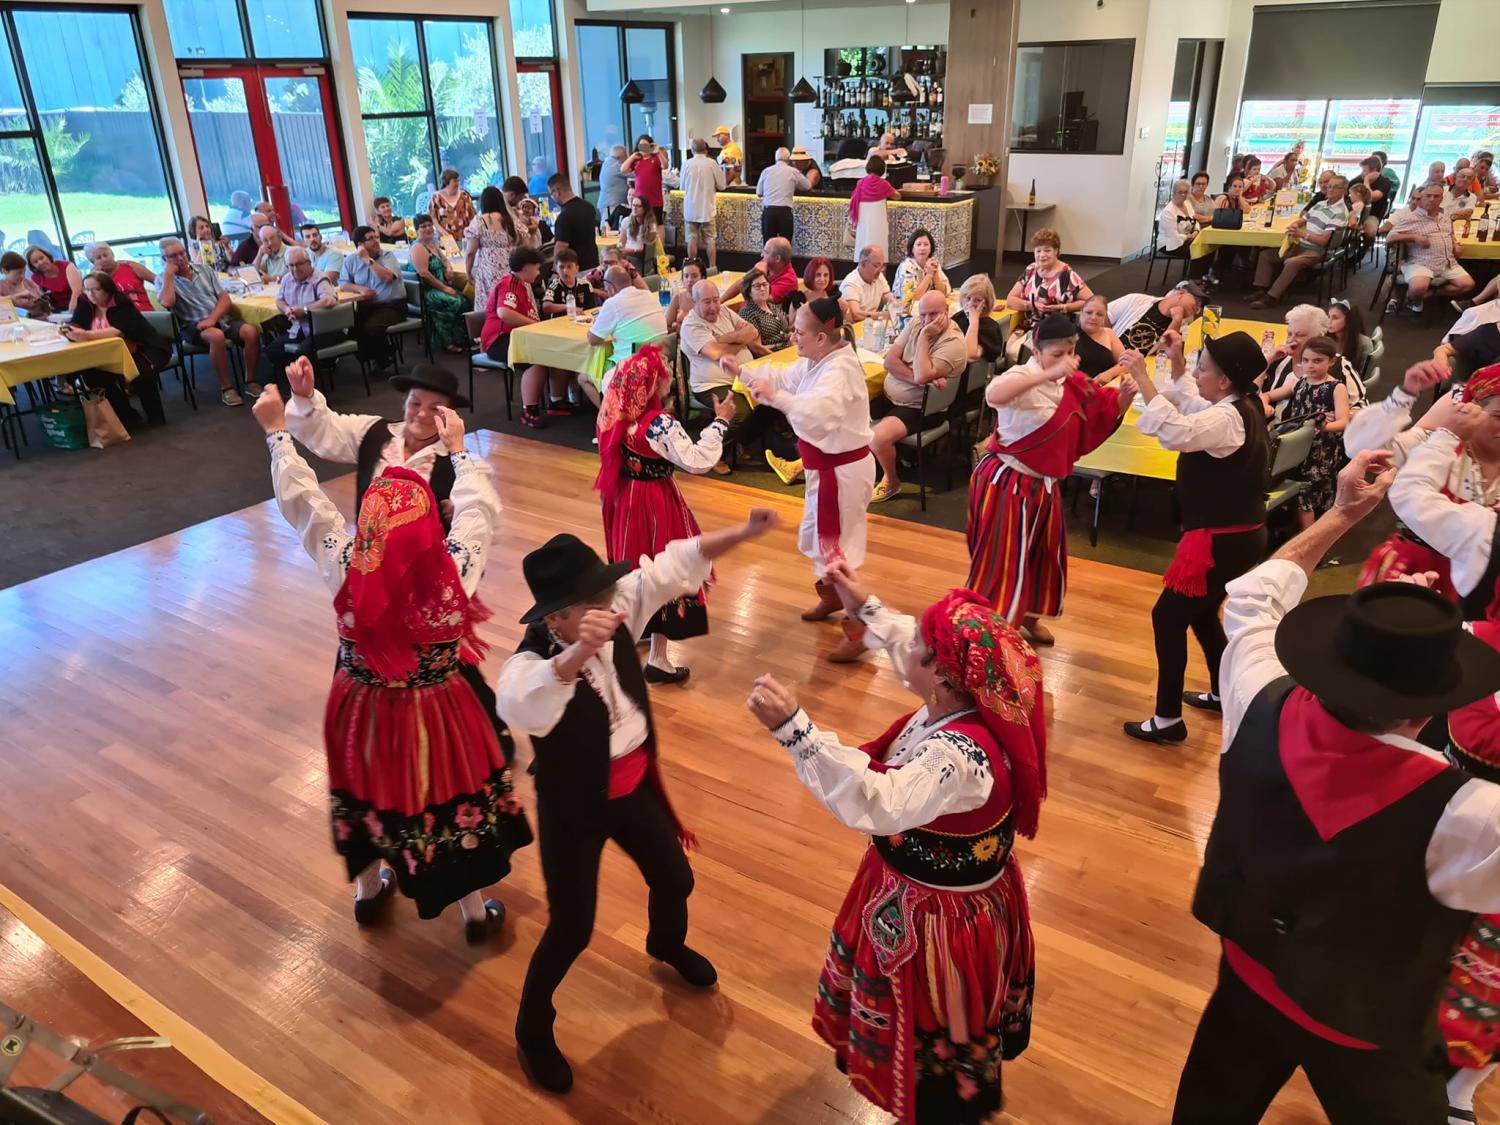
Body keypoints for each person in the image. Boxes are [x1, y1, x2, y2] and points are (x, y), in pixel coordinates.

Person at [1168, 450, 1500, 1124]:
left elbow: (1256, 596)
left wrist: (1344, 515)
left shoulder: (1257, 690)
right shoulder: (1469, 814)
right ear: (1432, 709)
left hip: (1248, 983)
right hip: (1368, 1026)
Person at [745, 563, 1046, 1125]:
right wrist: (864, 605)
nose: (912, 649)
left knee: (934, 1032)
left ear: (945, 677)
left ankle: (940, 1107)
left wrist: (795, 731)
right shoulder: (968, 701)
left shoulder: (961, 757)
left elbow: (881, 801)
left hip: (939, 920)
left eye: (927, 650)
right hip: (939, 889)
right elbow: (911, 641)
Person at [496, 508, 778, 1093]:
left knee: (675, 879)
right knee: (572, 928)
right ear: (560, 618)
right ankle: (531, 1027)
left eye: (607, 594)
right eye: (594, 603)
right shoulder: (528, 663)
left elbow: (671, 567)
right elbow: (521, 704)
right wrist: (574, 659)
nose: (612, 605)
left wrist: (743, 534)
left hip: (632, 789)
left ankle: (664, 942)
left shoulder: (611, 605)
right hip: (574, 810)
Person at [253, 381, 531, 944]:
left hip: (360, 705)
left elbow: (305, 506)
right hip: (436, 712)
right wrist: (459, 454)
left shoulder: (349, 561)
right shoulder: (454, 571)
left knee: (364, 790)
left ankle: (368, 892)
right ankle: (473, 914)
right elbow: (478, 512)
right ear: (432, 525)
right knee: (448, 801)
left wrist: (277, 435)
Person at [1122, 329, 1269, 743]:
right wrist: (1180, 362)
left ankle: (1167, 719)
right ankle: (1225, 692)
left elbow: (1178, 432)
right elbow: (1192, 407)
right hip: (1240, 534)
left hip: (1219, 540)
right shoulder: (1241, 404)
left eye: (1205, 369)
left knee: (1166, 617)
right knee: (1201, 614)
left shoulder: (1226, 418)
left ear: (1224, 380)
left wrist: (1144, 375)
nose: (1199, 375)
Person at [966, 314, 1131, 638]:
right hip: (1008, 483)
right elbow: (994, 395)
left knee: (1044, 555)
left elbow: (1094, 412)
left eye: (1070, 353)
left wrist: (1122, 401)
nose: (1066, 361)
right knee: (1004, 561)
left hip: (1044, 484)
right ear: (1037, 353)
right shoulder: (1022, 375)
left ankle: (1028, 615)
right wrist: (1045, 374)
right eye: (1057, 355)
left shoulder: (1071, 381)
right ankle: (996, 632)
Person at [738, 297, 876, 663]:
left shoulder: (839, 370)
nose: (792, 336)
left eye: (799, 331)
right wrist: (746, 373)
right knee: (822, 541)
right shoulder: (820, 360)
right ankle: (832, 598)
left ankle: (859, 626)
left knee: (836, 552)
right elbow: (784, 376)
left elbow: (818, 415)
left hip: (842, 474)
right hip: (830, 470)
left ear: (822, 338)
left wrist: (776, 397)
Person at [596, 345, 736, 682]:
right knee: (667, 568)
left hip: (625, 499)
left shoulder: (615, 410)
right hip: (655, 502)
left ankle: (634, 629)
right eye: (664, 375)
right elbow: (697, 461)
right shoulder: (658, 424)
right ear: (651, 384)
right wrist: (720, 422)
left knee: (635, 565)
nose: (669, 379)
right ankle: (658, 660)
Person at [1381, 366, 1500, 619]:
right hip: (1416, 573)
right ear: (1474, 411)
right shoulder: (1434, 442)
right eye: (1499, 416)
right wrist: (1403, 395)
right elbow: (1370, 447)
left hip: (1482, 587)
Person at [869, 290, 970, 503]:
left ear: (947, 312)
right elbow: (890, 361)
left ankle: (892, 480)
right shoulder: (916, 322)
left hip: (922, 408)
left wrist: (924, 338)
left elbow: (922, 372)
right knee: (846, 411)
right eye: (923, 314)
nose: (926, 320)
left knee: (877, 439)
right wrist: (918, 379)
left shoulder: (953, 342)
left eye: (933, 314)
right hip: (895, 397)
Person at [155, 236, 263, 406]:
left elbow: (224, 299)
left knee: (251, 332)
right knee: (217, 336)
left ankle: (251, 381)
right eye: (174, 256)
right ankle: (227, 388)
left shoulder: (204, 270)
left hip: (218, 318)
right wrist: (169, 275)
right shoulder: (162, 279)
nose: (181, 258)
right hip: (192, 325)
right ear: (164, 259)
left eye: (182, 253)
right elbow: (167, 302)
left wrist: (213, 318)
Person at [63, 271, 168, 429]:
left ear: (107, 290)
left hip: (144, 347)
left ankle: (156, 417)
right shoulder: (85, 301)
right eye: (87, 289)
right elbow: (75, 323)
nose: (91, 294)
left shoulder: (121, 303)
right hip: (106, 353)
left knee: (140, 373)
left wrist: (87, 335)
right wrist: (70, 330)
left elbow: (118, 330)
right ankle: (127, 416)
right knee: (93, 375)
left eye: (96, 289)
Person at [1263, 336, 1350, 526]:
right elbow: (1269, 394)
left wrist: (1321, 427)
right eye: (1306, 361)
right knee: (1300, 490)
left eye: (1318, 361)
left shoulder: (1336, 388)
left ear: (1331, 362)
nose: (1310, 366)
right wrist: (1264, 402)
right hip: (1297, 446)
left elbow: (1344, 421)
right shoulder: (1301, 381)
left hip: (1320, 450)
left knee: (1308, 495)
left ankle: (1309, 537)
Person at [1248, 174, 1349, 310]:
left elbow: (1324, 241)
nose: (1330, 189)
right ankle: (1261, 289)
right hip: (1300, 244)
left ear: (1344, 190)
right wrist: (1295, 225)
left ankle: (1272, 297)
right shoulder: (1320, 204)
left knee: (1292, 263)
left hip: (1318, 251)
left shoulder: (1340, 212)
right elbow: (1303, 220)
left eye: (1335, 187)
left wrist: (1303, 234)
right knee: (1265, 255)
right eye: (1329, 186)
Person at [581, 264, 669, 409]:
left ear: (611, 286)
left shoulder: (613, 304)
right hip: (660, 363)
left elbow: (593, 339)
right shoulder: (649, 295)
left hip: (631, 369)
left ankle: (608, 418)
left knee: (583, 378)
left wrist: (597, 324)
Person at [1386, 183, 1475, 315]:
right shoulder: (1411, 218)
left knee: (1468, 284)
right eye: (1428, 196)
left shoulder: (1445, 217)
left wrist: (1455, 245)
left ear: (1441, 199)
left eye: (1436, 196)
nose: (1432, 199)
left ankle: (1426, 295)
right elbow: (1389, 237)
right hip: (1421, 262)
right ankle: (1416, 299)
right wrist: (1415, 237)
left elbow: (1451, 235)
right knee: (1418, 287)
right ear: (1422, 198)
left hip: (1447, 262)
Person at [338, 225, 406, 370]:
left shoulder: (387, 256)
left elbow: (388, 277)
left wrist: (367, 259)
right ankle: (382, 353)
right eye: (370, 239)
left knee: (370, 328)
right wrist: (360, 289)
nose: (376, 241)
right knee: (351, 330)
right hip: (368, 305)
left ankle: (383, 357)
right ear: (360, 245)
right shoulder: (351, 260)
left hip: (393, 305)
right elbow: (343, 283)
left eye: (376, 237)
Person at [479, 244, 543, 399]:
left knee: (549, 352)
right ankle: (530, 408)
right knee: (538, 358)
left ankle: (556, 400)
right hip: (498, 340)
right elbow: (504, 313)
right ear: (526, 268)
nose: (539, 272)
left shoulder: (520, 284)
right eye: (537, 268)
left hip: (514, 336)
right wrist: (533, 324)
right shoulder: (509, 285)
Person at [1004, 229, 1092, 339]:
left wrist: (1063, 307)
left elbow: (1090, 302)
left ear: (1056, 251)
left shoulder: (1067, 275)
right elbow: (1010, 300)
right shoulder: (1031, 269)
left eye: (1047, 250)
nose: (1042, 255)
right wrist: (1031, 305)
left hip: (1058, 329)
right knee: (1011, 350)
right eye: (1038, 251)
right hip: (1030, 326)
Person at [266, 246, 338, 375]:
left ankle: (311, 385)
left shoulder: (319, 278)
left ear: (309, 263)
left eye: (299, 264)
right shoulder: (287, 279)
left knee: (303, 352)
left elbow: (329, 300)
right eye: (291, 265)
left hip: (324, 330)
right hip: (300, 328)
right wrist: (287, 309)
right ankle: (297, 379)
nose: (295, 269)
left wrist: (305, 310)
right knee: (273, 350)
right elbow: (279, 301)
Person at [407, 215, 470, 354]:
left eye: (430, 225)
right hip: (428, 291)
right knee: (455, 302)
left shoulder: (432, 244)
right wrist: (445, 288)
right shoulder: (418, 247)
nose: (428, 228)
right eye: (423, 226)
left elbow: (445, 259)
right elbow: (424, 273)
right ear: (417, 230)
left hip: (440, 286)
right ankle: (446, 341)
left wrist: (448, 268)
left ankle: (461, 338)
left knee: (465, 299)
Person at [463, 185, 520, 315]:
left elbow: (471, 252)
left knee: (490, 304)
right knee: (511, 301)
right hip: (511, 265)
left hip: (489, 268)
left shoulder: (480, 221)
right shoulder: (510, 220)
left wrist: (468, 271)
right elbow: (524, 240)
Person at [1107, 282, 1206, 355]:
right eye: (1197, 301)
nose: (1198, 309)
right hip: (1108, 355)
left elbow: (1162, 354)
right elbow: (1102, 316)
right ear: (1181, 293)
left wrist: (1176, 320)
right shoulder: (1137, 300)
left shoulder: (1182, 327)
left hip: (1133, 370)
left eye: (1200, 308)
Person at [680, 138, 726, 269]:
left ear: (692, 150)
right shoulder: (712, 163)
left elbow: (682, 186)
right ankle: (712, 268)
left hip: (691, 209)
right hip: (707, 208)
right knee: (710, 240)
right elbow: (722, 185)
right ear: (706, 149)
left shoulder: (687, 164)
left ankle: (692, 266)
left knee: (692, 239)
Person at [756, 146, 811, 245]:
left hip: (768, 211)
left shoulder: (766, 171)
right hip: (784, 213)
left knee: (769, 246)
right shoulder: (793, 171)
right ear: (789, 159)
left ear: (775, 158)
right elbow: (807, 186)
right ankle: (784, 261)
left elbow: (759, 192)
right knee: (784, 246)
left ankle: (768, 261)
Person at [722, 237, 799, 307]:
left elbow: (757, 297)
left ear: (777, 258)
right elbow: (743, 282)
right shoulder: (768, 263)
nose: (762, 254)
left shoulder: (789, 280)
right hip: (746, 310)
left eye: (766, 252)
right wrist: (720, 301)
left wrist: (759, 273)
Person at [548, 173, 600, 272]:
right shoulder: (589, 207)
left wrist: (555, 270)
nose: (552, 197)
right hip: (593, 263)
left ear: (557, 192)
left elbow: (561, 247)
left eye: (551, 194)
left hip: (575, 269)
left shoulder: (564, 216)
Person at [890, 228, 951, 312]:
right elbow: (912, 298)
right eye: (918, 244)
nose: (922, 248)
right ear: (912, 249)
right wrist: (929, 275)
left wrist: (935, 275)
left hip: (928, 309)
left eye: (926, 244)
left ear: (930, 248)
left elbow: (944, 293)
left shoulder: (933, 264)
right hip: (905, 312)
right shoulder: (906, 267)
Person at [850, 156, 899, 259]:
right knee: (880, 253)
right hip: (879, 225)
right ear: (882, 169)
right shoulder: (883, 184)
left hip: (863, 225)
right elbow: (897, 196)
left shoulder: (861, 183)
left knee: (863, 252)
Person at [1074, 293, 1131, 382]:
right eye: (1089, 312)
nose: (1093, 317)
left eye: (1099, 314)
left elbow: (1126, 364)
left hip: (1107, 386)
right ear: (1081, 312)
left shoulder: (1109, 333)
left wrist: (1109, 373)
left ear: (1104, 318)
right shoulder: (1068, 334)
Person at [84, 242, 154, 313]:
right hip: (117, 318)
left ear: (112, 254)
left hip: (145, 313)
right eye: (99, 258)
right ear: (93, 262)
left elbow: (158, 281)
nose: (104, 259)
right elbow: (91, 300)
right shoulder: (94, 279)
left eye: (105, 255)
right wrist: (96, 277)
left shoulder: (131, 267)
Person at [951, 274, 1005, 364]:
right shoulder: (959, 317)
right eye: (968, 298)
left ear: (986, 304)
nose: (970, 304)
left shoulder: (989, 328)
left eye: (977, 300)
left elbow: (968, 354)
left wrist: (974, 322)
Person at [1326, 298, 1373, 390]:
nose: (1329, 322)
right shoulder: (1326, 338)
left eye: (1335, 318)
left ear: (1348, 320)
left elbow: (1362, 375)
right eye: (1328, 317)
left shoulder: (1363, 343)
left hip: (1347, 386)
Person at [739, 271, 791, 351]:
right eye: (757, 286)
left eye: (765, 284)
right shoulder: (747, 314)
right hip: (772, 357)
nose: (762, 289)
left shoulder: (774, 307)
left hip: (790, 349)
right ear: (749, 291)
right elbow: (756, 348)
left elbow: (787, 331)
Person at [838, 245, 892, 321]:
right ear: (863, 264)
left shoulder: (879, 276)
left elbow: (889, 298)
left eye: (882, 266)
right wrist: (883, 315)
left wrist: (897, 307)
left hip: (871, 325)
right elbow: (856, 315)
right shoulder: (850, 283)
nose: (881, 270)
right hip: (855, 327)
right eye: (877, 265)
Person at [622, 135, 669, 224]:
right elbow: (623, 169)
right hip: (640, 201)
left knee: (657, 224)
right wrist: (632, 156)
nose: (643, 148)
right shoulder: (637, 160)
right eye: (641, 145)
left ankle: (660, 239)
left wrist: (658, 152)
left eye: (645, 145)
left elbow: (665, 166)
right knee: (640, 225)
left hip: (655, 200)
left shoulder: (655, 158)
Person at [541, 248, 596, 318]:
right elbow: (546, 306)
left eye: (569, 267)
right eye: (561, 267)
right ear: (556, 269)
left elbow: (592, 309)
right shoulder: (554, 286)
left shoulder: (586, 285)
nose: (565, 271)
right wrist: (568, 307)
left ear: (577, 268)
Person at [27, 245, 82, 313]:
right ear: (33, 267)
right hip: (56, 310)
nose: (40, 262)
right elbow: (40, 300)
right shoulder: (35, 278)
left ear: (47, 256)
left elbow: (77, 292)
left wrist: (70, 312)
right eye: (35, 262)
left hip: (78, 304)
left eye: (41, 258)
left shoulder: (67, 266)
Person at [1158, 178, 1201, 260]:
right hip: (1170, 243)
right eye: (1180, 192)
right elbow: (1173, 236)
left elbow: (1195, 221)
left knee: (1206, 247)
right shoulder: (1169, 211)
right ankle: (1195, 273)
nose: (1183, 195)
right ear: (1174, 193)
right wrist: (1188, 237)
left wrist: (1196, 231)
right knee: (1197, 250)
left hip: (1187, 239)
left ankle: (1205, 272)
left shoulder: (1187, 204)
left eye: (1185, 192)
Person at [618, 195, 659, 275]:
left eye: (638, 206)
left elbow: (648, 251)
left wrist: (633, 251)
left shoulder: (651, 226)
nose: (634, 208)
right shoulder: (626, 221)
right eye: (633, 205)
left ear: (645, 209)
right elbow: (621, 243)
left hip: (642, 260)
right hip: (627, 257)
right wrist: (621, 252)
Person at [1357, 155, 1396, 238]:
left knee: (1370, 231)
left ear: (1374, 171)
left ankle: (1363, 249)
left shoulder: (1385, 182)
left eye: (1364, 170)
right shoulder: (1359, 179)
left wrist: (1367, 181)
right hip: (1356, 212)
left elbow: (1372, 198)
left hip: (1373, 214)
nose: (1362, 173)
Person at [0, 251, 50, 316]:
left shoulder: (28, 282)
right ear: (5, 271)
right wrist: (19, 295)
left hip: (43, 319)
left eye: (24, 272)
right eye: (18, 273)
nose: (22, 276)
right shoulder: (2, 286)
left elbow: (42, 298)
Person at [663, 256, 703, 334]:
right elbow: (665, 327)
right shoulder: (678, 298)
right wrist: (675, 328)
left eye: (694, 276)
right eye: (686, 276)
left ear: (703, 278)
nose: (689, 280)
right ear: (682, 279)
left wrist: (680, 327)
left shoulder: (708, 298)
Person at [598, 144, 630, 229]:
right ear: (621, 157)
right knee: (611, 230)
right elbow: (635, 174)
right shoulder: (616, 166)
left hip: (606, 203)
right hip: (611, 204)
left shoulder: (607, 163)